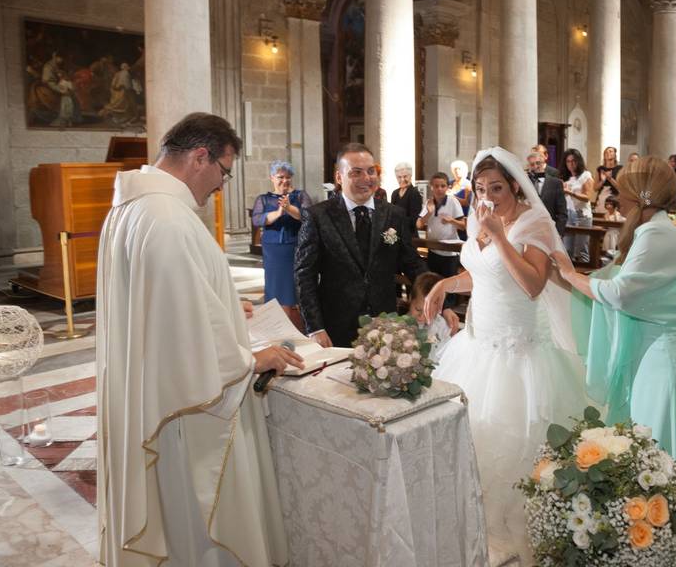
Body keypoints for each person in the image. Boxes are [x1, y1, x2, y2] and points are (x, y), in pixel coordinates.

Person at [96, 113, 301, 567]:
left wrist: (229, 305)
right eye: (223, 172)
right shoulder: (167, 218)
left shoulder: (131, 208)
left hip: (145, 390)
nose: (221, 186)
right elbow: (187, 343)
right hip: (180, 414)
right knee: (190, 521)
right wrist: (250, 357)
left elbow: (164, 304)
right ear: (200, 156)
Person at [424, 147, 589, 563]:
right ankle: (476, 525)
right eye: (480, 188)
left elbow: (532, 284)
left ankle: (521, 530)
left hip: (521, 355)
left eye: (496, 187)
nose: (488, 196)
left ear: (515, 185)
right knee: (473, 438)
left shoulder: (532, 222)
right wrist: (444, 286)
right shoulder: (480, 216)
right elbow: (482, 275)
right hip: (478, 347)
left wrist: (498, 235)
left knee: (517, 442)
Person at [552, 156, 676, 567]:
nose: (616, 198)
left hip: (670, 364)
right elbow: (616, 279)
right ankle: (662, 550)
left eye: (623, 191)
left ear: (641, 197)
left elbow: (622, 292)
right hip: (665, 356)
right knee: (662, 458)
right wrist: (576, 276)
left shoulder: (657, 235)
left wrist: (571, 276)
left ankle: (666, 553)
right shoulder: (654, 231)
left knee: (661, 461)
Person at [295, 142, 457, 348]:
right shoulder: (318, 216)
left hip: (384, 323)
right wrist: (315, 328)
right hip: (336, 324)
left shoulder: (393, 215)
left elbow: (413, 264)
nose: (366, 178)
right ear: (338, 177)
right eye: (356, 172)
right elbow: (304, 275)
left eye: (371, 171)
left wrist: (443, 304)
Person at [252, 160, 312, 329]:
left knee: (296, 289)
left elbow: (307, 216)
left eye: (287, 177)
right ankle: (279, 330)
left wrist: (289, 208)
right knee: (276, 289)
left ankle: (302, 329)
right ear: (272, 178)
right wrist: (278, 212)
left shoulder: (300, 196)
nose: (284, 181)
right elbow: (258, 219)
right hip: (273, 251)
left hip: (295, 248)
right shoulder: (263, 199)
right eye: (280, 177)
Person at [417, 172, 466, 281]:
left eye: (443, 186)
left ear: (447, 187)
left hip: (450, 253)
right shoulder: (429, 202)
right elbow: (419, 224)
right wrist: (429, 213)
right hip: (433, 250)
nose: (439, 189)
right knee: (433, 284)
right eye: (436, 186)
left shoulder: (453, 201)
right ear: (431, 187)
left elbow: (463, 226)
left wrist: (451, 220)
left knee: (449, 286)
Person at [407, 271, 454, 363]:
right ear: (410, 299)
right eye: (418, 309)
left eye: (428, 313)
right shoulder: (400, 325)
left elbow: (447, 354)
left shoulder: (442, 327)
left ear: (439, 308)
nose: (421, 317)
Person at [562, 148, 595, 263]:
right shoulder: (566, 178)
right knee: (567, 250)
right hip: (568, 214)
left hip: (582, 215)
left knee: (581, 251)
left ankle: (584, 278)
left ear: (578, 161)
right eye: (568, 161)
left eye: (574, 161)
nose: (571, 164)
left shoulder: (586, 175)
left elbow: (588, 197)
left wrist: (571, 193)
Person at [527, 150, 567, 236]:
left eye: (538, 163)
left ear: (543, 163)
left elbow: (562, 212)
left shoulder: (555, 183)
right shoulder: (526, 184)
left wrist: (558, 233)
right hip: (530, 229)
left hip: (550, 229)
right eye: (532, 164)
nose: (536, 166)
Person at [390, 162, 423, 231]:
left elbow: (414, 219)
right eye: (399, 177)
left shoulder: (414, 193)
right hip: (397, 233)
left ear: (410, 176)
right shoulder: (395, 193)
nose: (402, 179)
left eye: (405, 176)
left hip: (409, 234)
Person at [594, 145, 622, 211]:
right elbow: (595, 188)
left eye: (611, 151)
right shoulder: (600, 169)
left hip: (614, 199)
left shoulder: (620, 168)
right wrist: (602, 181)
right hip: (601, 199)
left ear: (615, 154)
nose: (608, 153)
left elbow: (621, 187)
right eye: (606, 152)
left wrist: (610, 178)